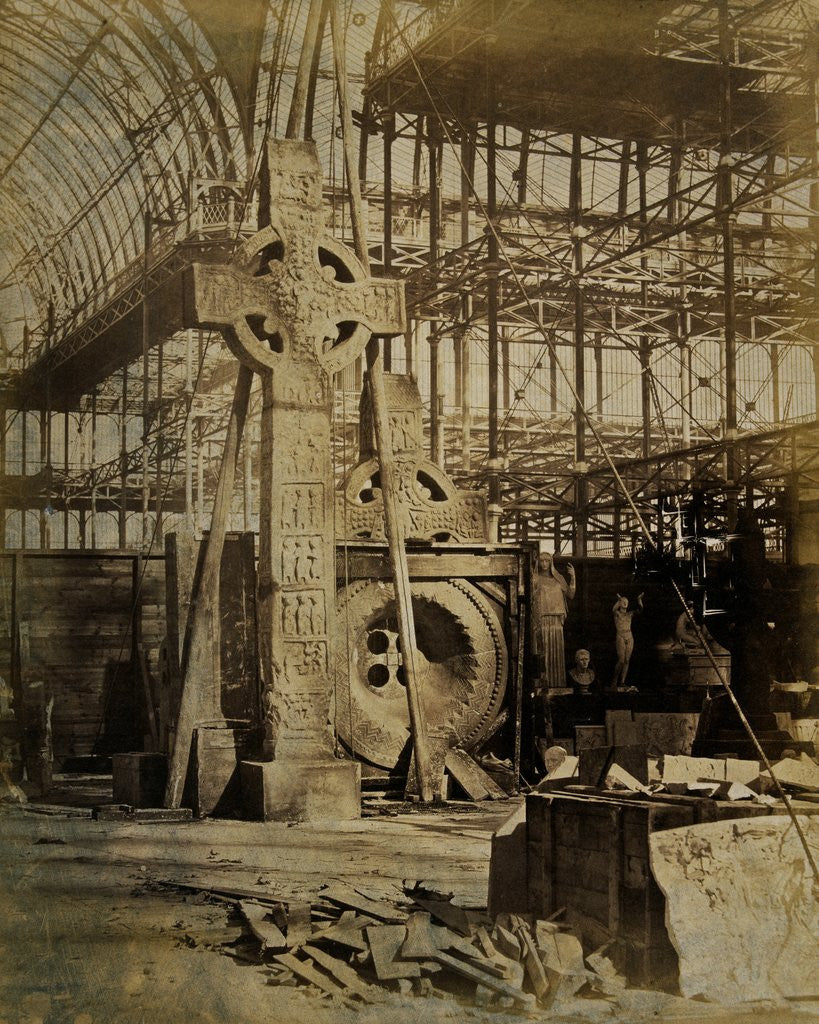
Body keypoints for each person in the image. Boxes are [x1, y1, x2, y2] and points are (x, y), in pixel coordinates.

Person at [533, 550, 576, 692]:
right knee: (543, 651)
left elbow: (570, 594)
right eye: (542, 560)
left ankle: (558, 683)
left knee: (557, 651)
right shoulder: (534, 579)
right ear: (538, 562)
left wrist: (573, 577)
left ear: (551, 562)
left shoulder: (559, 579)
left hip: (557, 620)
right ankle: (543, 685)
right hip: (542, 620)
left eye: (547, 561)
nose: (544, 563)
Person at [612, 593, 643, 689]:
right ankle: (614, 680)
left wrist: (639, 600)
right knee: (621, 660)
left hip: (629, 636)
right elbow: (613, 609)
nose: (625, 603)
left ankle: (622, 682)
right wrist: (618, 600)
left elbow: (640, 610)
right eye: (623, 602)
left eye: (627, 602)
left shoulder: (630, 614)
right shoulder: (617, 613)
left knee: (627, 660)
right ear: (620, 603)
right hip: (620, 636)